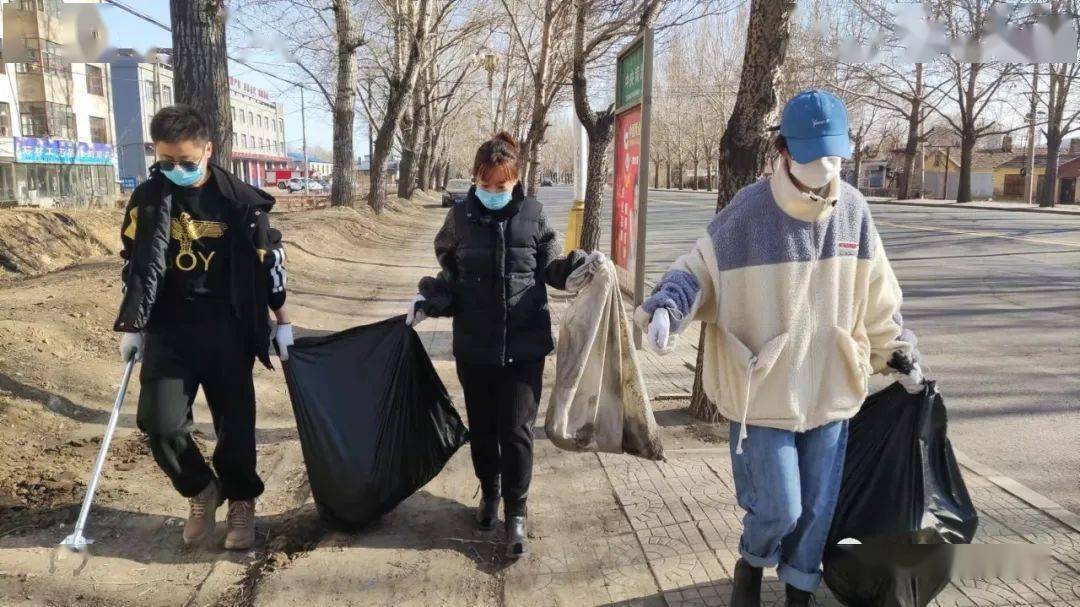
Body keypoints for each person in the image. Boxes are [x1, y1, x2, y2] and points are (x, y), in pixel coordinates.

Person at [635, 90, 925, 607]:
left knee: (817, 508)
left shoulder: (854, 212)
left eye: (834, 155)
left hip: (832, 388)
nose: (825, 166)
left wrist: (895, 350)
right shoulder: (748, 212)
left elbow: (878, 294)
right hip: (763, 393)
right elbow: (697, 269)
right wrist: (667, 308)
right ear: (784, 150)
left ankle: (799, 589)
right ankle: (753, 557)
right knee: (781, 508)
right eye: (813, 155)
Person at [408, 132, 601, 559]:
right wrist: (431, 300)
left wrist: (577, 266)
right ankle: (489, 494)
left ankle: (517, 510)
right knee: (483, 430)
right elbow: (451, 276)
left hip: (524, 346)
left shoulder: (533, 215)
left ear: (516, 180)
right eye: (487, 183)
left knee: (516, 432)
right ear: (475, 177)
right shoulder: (459, 219)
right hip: (475, 347)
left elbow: (551, 265)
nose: (495, 192)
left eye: (503, 184)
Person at [113, 104, 293, 551]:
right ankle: (200, 490)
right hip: (169, 329)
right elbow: (135, 264)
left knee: (236, 424)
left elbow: (269, 264)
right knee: (160, 423)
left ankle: (241, 502)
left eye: (187, 162)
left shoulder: (241, 202)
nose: (176, 169)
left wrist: (281, 321)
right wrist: (133, 325)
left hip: (228, 328)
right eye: (166, 161)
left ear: (208, 150)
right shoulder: (148, 199)